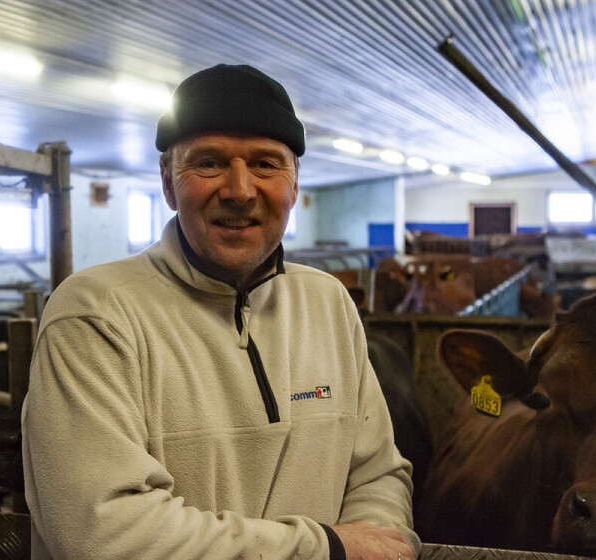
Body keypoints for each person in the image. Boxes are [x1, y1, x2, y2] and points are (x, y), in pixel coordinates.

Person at [22, 64, 420, 560]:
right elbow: (104, 531)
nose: (239, 190)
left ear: (295, 185)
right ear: (168, 184)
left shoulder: (329, 303)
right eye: (209, 163)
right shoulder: (97, 315)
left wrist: (377, 542)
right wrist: (330, 550)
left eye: (266, 165)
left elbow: (378, 473)